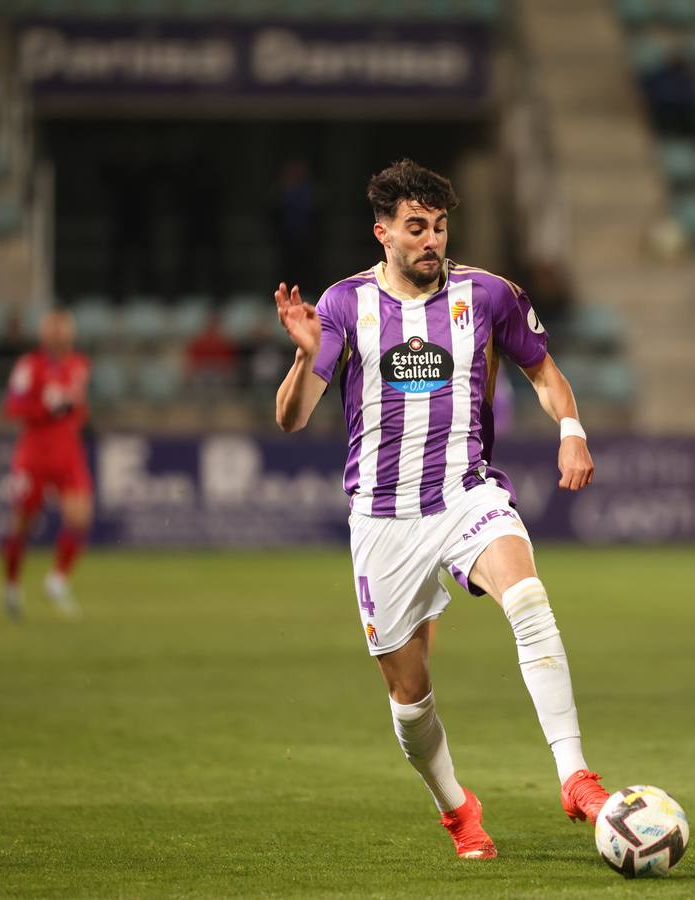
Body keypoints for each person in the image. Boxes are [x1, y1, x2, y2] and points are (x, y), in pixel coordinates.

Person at [272, 159, 609, 860]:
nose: (431, 240)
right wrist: (305, 359)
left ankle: (575, 776)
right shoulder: (342, 304)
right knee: (409, 694)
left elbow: (542, 371)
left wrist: (570, 432)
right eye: (416, 228)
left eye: (440, 226)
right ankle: (457, 809)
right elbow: (292, 418)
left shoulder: (487, 295)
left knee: (528, 597)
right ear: (383, 233)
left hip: (465, 493)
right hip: (382, 519)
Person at [1, 310, 91, 620]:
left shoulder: (79, 364)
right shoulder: (29, 366)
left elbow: (78, 407)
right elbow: (12, 407)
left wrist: (75, 416)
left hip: (67, 450)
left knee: (80, 516)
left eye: (64, 330)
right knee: (23, 525)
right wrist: (45, 409)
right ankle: (11, 587)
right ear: (43, 334)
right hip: (34, 453)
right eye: (54, 330)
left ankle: (57, 580)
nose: (60, 335)